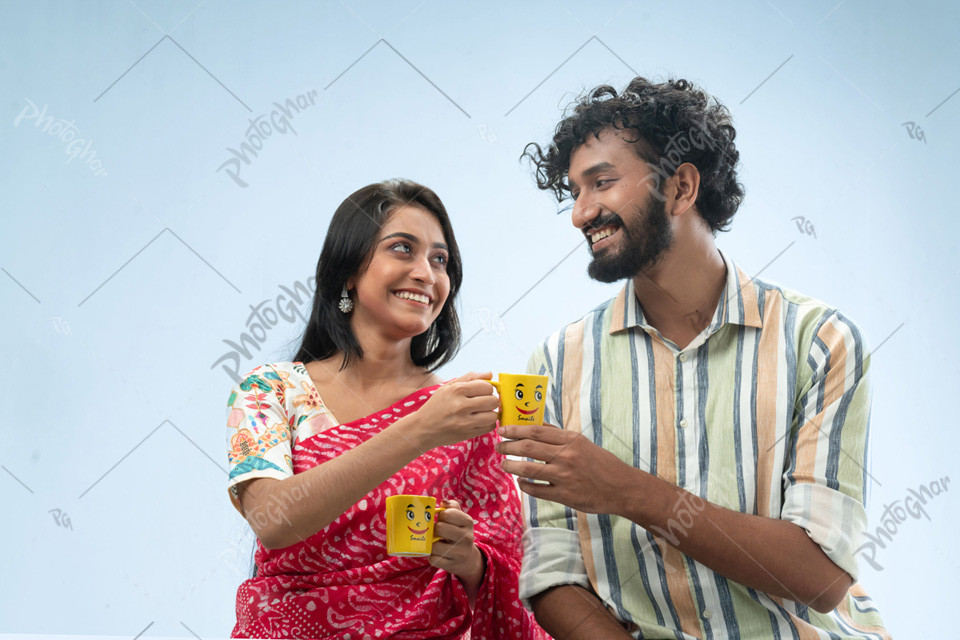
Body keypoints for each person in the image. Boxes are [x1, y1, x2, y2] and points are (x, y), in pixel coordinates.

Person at [497, 78, 890, 639]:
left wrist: (626, 490)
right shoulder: (555, 366)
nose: (580, 214)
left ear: (680, 187)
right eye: (574, 193)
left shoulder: (819, 342)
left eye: (601, 183)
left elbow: (821, 576)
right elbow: (553, 576)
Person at [225, 179, 546, 639]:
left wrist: (470, 562)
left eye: (440, 259)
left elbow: (514, 588)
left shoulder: (463, 413)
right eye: (402, 249)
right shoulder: (271, 392)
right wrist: (419, 430)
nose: (426, 273)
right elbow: (272, 521)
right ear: (348, 271)